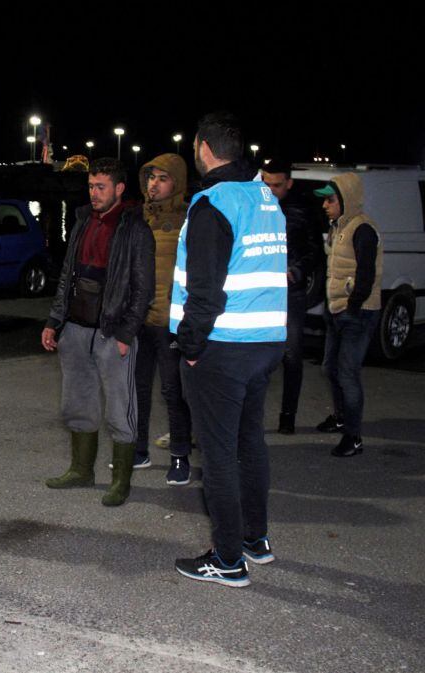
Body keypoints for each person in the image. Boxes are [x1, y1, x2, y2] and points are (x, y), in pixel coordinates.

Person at [171, 112, 286, 587]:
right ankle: (254, 540)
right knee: (248, 444)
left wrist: (191, 346)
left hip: (223, 345)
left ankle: (227, 558)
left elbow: (205, 292)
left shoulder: (212, 204)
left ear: (203, 148)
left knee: (217, 454)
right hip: (265, 342)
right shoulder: (264, 197)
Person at [41, 157, 154, 507]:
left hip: (112, 330)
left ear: (119, 188)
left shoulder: (135, 228)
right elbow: (66, 275)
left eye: (100, 186)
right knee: (77, 400)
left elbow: (143, 288)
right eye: (91, 186)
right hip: (75, 327)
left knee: (120, 407)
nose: (93, 193)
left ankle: (121, 480)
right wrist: (54, 320)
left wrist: (126, 334)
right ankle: (81, 469)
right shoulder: (81, 222)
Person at [133, 153, 194, 486]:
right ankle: (139, 450)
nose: (154, 184)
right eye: (150, 178)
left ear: (177, 183)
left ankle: (180, 456)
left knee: (174, 392)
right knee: (137, 389)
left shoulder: (190, 219)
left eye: (162, 178)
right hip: (139, 320)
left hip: (171, 321)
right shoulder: (138, 217)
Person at [313, 173, 382, 457]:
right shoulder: (339, 226)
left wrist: (352, 306)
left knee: (347, 374)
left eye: (330, 199)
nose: (325, 205)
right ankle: (341, 418)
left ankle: (353, 437)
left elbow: (365, 274)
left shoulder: (363, 229)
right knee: (330, 369)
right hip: (338, 311)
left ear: (346, 199)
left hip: (358, 313)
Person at [261, 159, 324, 435]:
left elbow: (315, 252)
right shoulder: (256, 207)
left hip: (291, 294)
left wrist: (297, 271)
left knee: (292, 356)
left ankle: (288, 416)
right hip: (260, 291)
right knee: (257, 357)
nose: (271, 190)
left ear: (289, 183)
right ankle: (250, 417)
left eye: (277, 185)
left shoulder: (302, 211)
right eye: (266, 184)